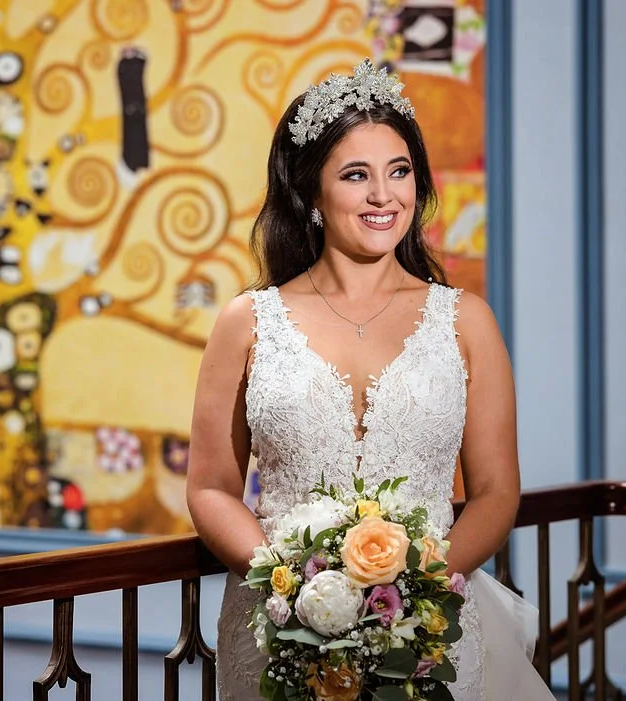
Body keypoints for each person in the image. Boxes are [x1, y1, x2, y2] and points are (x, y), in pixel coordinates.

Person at [185, 60, 555, 700]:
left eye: (400, 170)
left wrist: (412, 587)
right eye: (357, 175)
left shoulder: (467, 322)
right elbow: (212, 487)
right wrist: (290, 586)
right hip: (278, 633)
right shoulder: (247, 322)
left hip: (431, 627)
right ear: (310, 193)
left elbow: (496, 493)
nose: (385, 195)